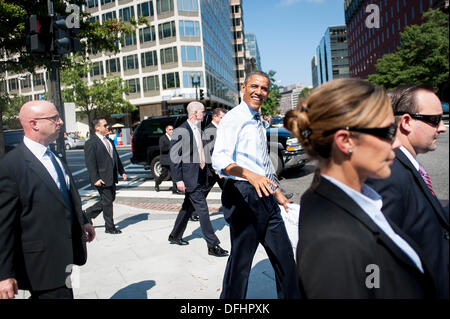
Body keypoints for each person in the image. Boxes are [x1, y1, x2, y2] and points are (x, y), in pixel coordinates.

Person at [284, 78, 435, 298]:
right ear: (346, 141)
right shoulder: (333, 244)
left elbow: (372, 280)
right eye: (388, 133)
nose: (396, 143)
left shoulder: (333, 196)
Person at [212, 71, 300, 299]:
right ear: (244, 87)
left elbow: (261, 162)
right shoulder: (234, 118)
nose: (258, 92)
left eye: (264, 88)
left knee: (285, 260)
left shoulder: (257, 120)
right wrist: (250, 176)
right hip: (243, 195)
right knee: (240, 265)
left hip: (266, 194)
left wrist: (277, 190)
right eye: (254, 86)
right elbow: (219, 160)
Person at [0, 101, 95, 299]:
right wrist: (4, 274)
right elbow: (4, 226)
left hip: (67, 254)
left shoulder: (55, 156)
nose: (60, 122)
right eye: (54, 118)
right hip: (42, 264)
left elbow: (66, 195)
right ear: (34, 124)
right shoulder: (11, 166)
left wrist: (83, 220)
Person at [366, 84, 449, 298]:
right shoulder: (387, 174)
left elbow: (420, 219)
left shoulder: (405, 165)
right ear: (406, 122)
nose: (442, 128)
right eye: (434, 120)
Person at [168, 101, 228, 257]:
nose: (205, 114)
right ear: (195, 113)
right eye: (202, 111)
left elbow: (205, 152)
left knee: (187, 207)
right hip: (189, 178)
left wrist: (216, 169)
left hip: (200, 176)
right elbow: (174, 159)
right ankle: (213, 245)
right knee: (203, 210)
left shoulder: (198, 129)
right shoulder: (180, 131)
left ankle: (175, 235)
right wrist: (178, 180)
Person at [84, 117, 127, 234]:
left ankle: (87, 214)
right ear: (97, 128)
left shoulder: (109, 141)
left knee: (109, 199)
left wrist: (122, 171)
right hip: (101, 178)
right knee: (107, 201)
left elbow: (116, 157)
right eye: (105, 125)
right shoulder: (91, 143)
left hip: (111, 176)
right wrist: (95, 179)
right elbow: (90, 163)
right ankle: (110, 227)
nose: (108, 127)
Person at [155, 124, 181, 194]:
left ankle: (175, 189)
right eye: (170, 129)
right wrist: (171, 146)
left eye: (172, 129)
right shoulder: (162, 138)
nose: (171, 131)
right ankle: (157, 183)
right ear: (166, 130)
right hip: (165, 159)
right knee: (164, 174)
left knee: (174, 174)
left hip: (173, 159)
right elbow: (162, 149)